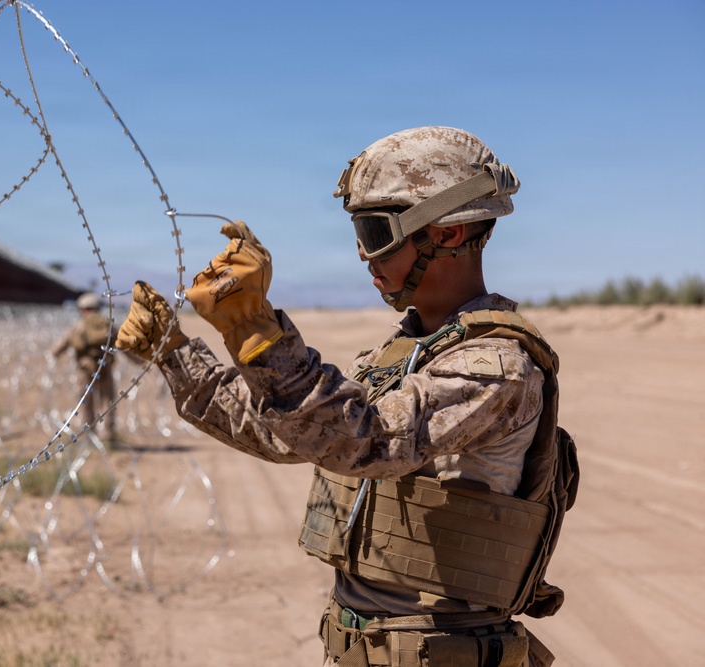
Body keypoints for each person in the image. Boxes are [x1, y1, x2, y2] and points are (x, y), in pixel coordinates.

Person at [115, 126, 578, 666]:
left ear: (449, 233)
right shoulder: (403, 352)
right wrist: (174, 354)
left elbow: (367, 441)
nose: (363, 254)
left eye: (377, 231)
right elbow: (287, 433)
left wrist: (260, 335)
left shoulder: (497, 367)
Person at [52, 291, 118, 444]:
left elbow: (61, 345)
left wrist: (54, 354)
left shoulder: (78, 326)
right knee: (107, 402)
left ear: (83, 309)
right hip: (105, 368)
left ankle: (90, 436)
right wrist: (140, 360)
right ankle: (109, 435)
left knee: (86, 403)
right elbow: (123, 342)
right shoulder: (108, 324)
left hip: (85, 370)